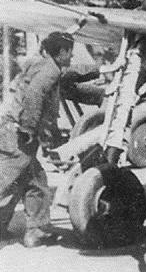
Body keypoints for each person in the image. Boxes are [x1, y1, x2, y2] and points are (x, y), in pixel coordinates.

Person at [0, 32, 103, 247]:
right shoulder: (50, 70)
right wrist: (28, 129)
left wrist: (98, 69)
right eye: (70, 51)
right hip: (18, 134)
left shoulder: (41, 63)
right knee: (5, 181)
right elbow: (35, 94)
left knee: (35, 182)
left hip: (13, 131)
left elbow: (69, 74)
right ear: (62, 51)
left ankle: (35, 231)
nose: (72, 56)